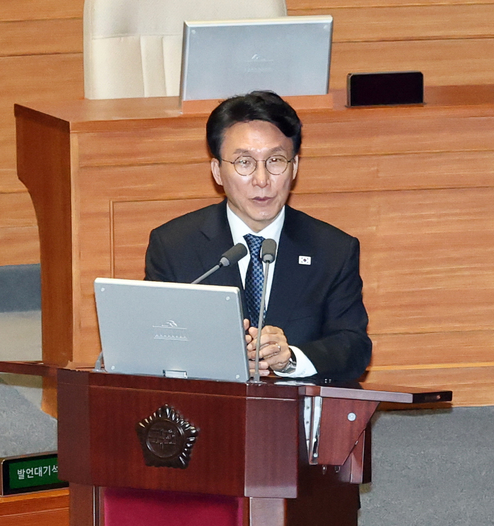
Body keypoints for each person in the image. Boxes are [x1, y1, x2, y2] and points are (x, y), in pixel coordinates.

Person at [144, 89, 372, 384]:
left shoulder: (333, 249)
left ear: (294, 167)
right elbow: (156, 343)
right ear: (217, 171)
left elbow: (354, 348)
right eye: (244, 162)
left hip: (297, 409)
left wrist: (291, 358)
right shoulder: (174, 246)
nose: (262, 180)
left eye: (275, 161)